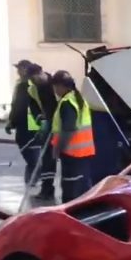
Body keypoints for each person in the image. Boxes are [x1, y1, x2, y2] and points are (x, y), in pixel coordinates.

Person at [50, 71, 95, 203]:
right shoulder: (78, 99)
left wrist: (57, 149)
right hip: (84, 152)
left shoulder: (67, 102)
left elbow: (68, 129)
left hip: (71, 153)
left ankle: (70, 215)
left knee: (71, 188)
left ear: (60, 86)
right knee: (82, 186)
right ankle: (83, 213)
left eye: (55, 87)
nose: (55, 91)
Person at [25, 63, 58, 201]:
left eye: (33, 78)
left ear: (40, 73)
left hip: (62, 127)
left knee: (69, 161)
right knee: (47, 159)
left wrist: (53, 121)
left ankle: (74, 191)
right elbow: (34, 107)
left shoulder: (56, 84)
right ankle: (47, 189)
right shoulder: (33, 89)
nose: (32, 81)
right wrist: (41, 120)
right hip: (48, 126)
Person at [7, 60, 41, 191]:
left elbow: (21, 106)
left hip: (32, 124)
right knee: (29, 153)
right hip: (23, 124)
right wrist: (11, 121)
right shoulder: (20, 85)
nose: (18, 72)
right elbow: (15, 105)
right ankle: (32, 177)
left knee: (33, 154)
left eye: (20, 69)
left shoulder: (30, 85)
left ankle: (32, 179)